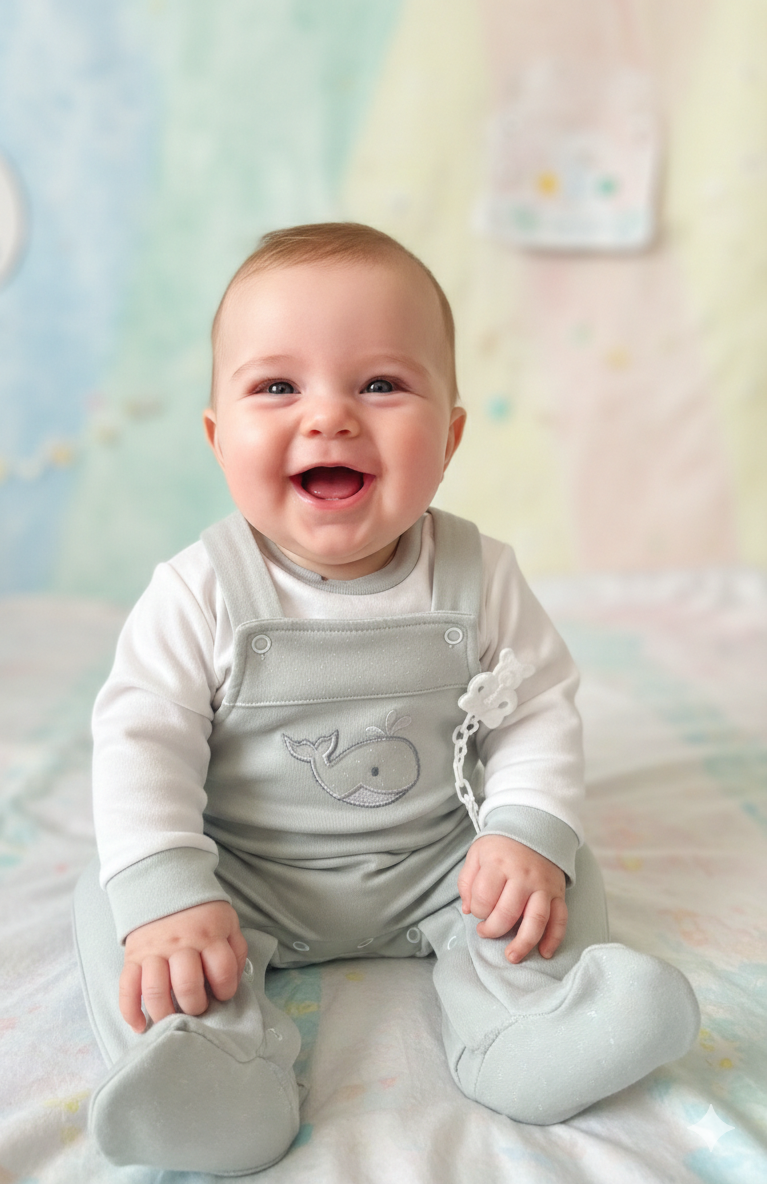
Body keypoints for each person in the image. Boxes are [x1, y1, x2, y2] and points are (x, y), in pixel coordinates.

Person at [74, 222, 699, 1175]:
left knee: (552, 877)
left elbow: (535, 712)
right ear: (218, 436)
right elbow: (140, 743)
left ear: (448, 435)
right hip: (244, 872)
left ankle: (535, 1032)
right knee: (126, 901)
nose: (329, 418)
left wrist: (522, 834)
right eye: (277, 387)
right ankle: (209, 1070)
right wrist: (166, 896)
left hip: (439, 860)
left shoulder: (480, 575)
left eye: (380, 384)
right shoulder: (198, 589)